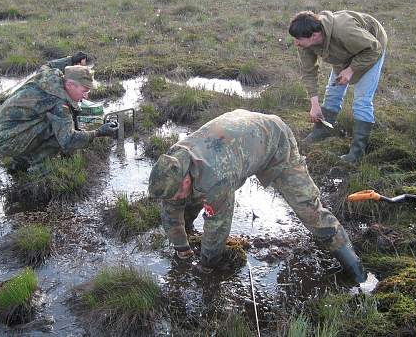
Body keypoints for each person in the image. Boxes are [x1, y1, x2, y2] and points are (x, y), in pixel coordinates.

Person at [148, 109, 366, 283]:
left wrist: (206, 267)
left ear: (186, 179)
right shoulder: (173, 164)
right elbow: (170, 209)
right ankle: (187, 235)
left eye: (176, 193)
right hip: (239, 136)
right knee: (184, 202)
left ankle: (356, 271)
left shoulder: (216, 177)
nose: (173, 199)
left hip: (273, 140)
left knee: (309, 210)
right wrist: (182, 249)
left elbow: (218, 226)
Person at [289, 10, 387, 162]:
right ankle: (323, 130)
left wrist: (351, 69)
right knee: (333, 92)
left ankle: (356, 153)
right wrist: (314, 105)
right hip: (342, 51)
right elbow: (308, 72)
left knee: (362, 100)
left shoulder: (344, 30)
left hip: (371, 48)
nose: (296, 43)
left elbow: (374, 48)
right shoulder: (305, 44)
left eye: (298, 39)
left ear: (314, 36)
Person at [0, 61, 118, 172]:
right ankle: (39, 168)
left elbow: (48, 64)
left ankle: (21, 160)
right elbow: (68, 140)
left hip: (5, 129)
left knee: (54, 123)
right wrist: (98, 132)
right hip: (9, 140)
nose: (86, 96)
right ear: (70, 85)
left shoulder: (51, 77)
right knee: (58, 131)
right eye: (84, 91)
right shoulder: (59, 104)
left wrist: (70, 59)